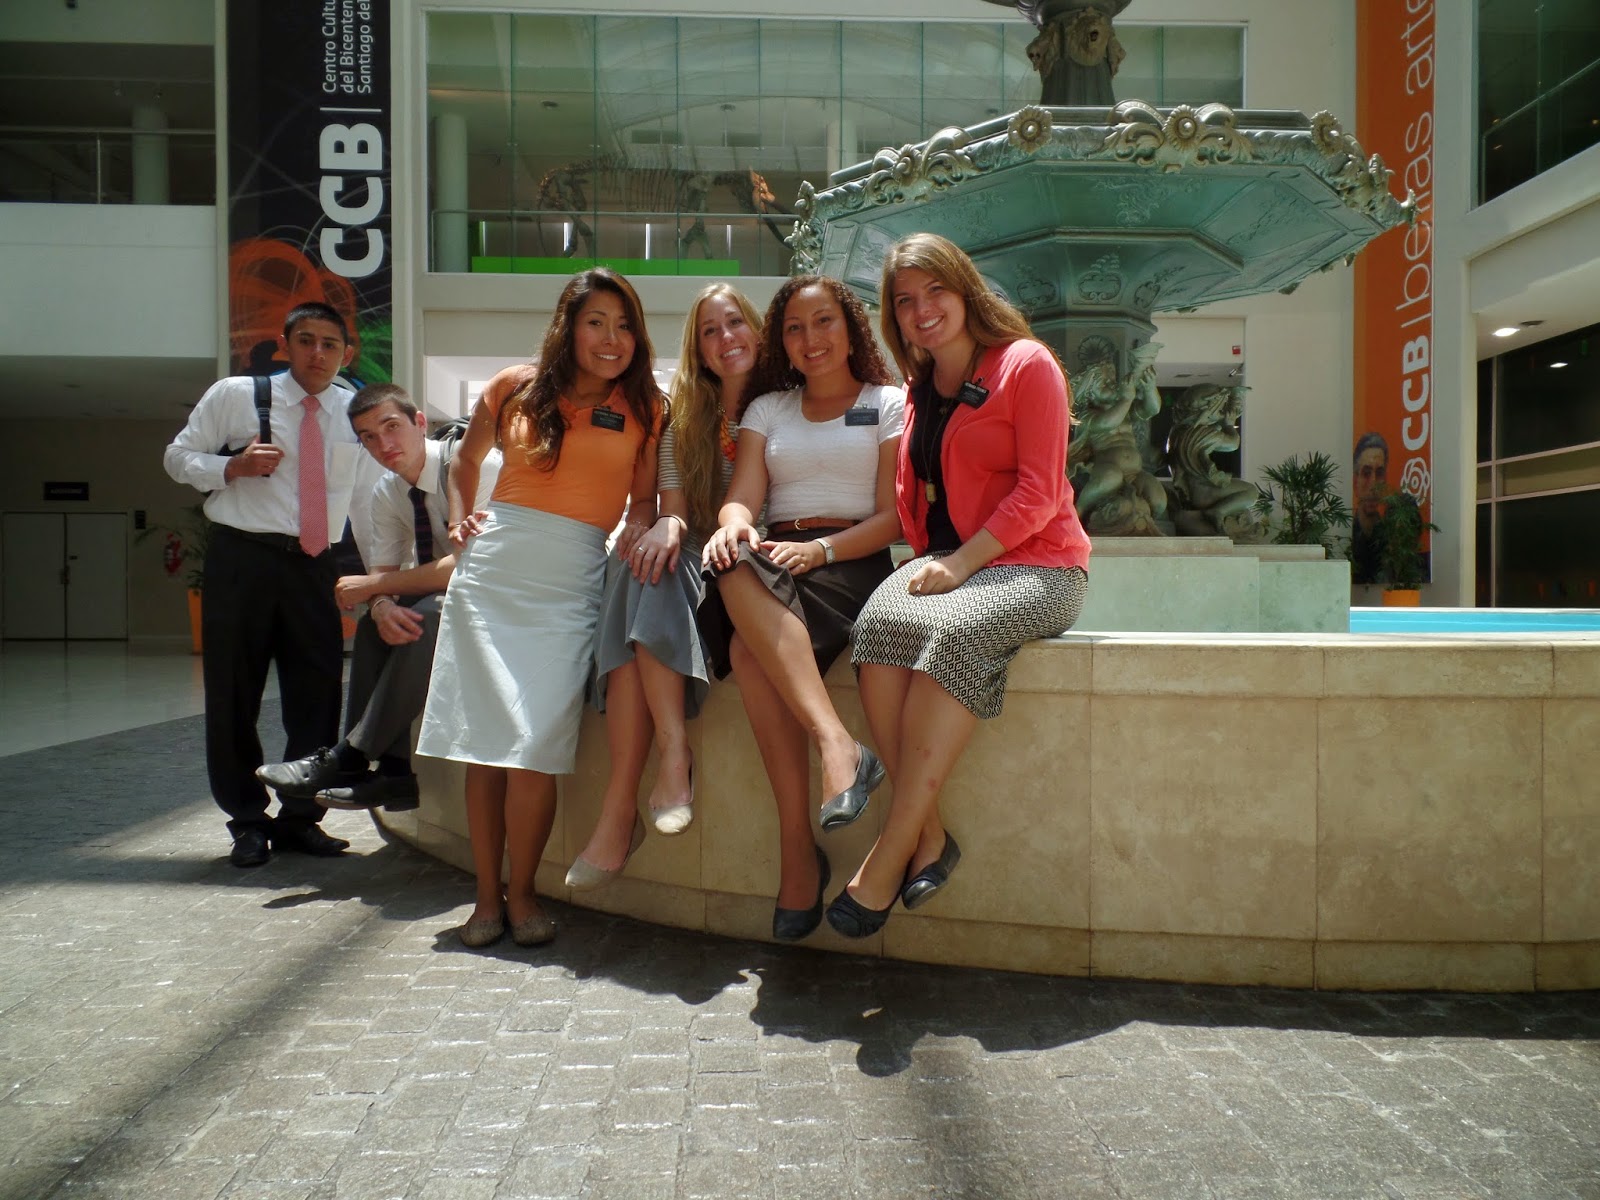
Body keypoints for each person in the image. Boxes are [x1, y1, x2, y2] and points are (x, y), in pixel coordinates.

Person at [829, 232, 1091, 938]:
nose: (922, 310)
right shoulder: (917, 392)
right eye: (904, 300)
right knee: (875, 630)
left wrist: (960, 565)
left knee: (950, 634)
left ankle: (891, 850)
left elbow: (1040, 492)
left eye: (935, 290)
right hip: (950, 563)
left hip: (1039, 565)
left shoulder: (1027, 364)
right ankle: (930, 836)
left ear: (965, 288)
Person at [416, 268, 662, 949]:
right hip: (493, 573)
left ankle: (523, 894)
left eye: (624, 325)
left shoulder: (647, 406)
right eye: (596, 322)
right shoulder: (513, 386)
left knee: (533, 748)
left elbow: (643, 500)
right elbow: (462, 463)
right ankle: (484, 899)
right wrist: (459, 521)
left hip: (573, 579)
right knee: (484, 750)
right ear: (568, 327)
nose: (611, 338)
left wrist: (639, 532)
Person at [699, 274, 904, 942]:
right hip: (776, 556)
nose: (810, 339)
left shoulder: (887, 403)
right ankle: (835, 746)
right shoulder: (768, 409)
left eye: (823, 322)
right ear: (780, 343)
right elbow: (743, 494)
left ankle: (798, 853)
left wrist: (822, 551)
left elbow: (894, 516)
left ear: (850, 328)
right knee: (731, 560)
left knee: (744, 651)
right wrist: (733, 523)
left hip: (851, 559)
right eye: (794, 328)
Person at [163, 301, 369, 868]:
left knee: (318, 694)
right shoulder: (236, 395)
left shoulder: (354, 412)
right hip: (242, 558)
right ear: (285, 344)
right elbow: (177, 457)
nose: (318, 353)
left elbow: (366, 500)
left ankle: (301, 819)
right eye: (306, 340)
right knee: (233, 694)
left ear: (346, 353)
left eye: (330, 344)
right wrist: (230, 467)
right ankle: (247, 821)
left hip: (316, 563)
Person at [570, 284, 763, 884]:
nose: (725, 338)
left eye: (735, 322)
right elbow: (674, 509)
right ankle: (668, 759)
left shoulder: (786, 405)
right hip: (696, 557)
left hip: (754, 560)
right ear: (697, 348)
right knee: (641, 563)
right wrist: (662, 526)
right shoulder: (683, 417)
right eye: (709, 331)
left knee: (646, 574)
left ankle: (623, 804)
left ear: (757, 329)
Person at [254, 383, 500, 812]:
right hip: (457, 598)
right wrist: (381, 605)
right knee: (377, 626)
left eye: (391, 427)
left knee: (429, 614)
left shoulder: (478, 465)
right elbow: (384, 573)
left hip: (507, 595)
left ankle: (350, 756)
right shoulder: (388, 491)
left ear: (419, 422)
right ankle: (395, 774)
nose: (383, 444)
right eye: (368, 437)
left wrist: (372, 589)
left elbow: (467, 567)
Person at [1350, 431, 1388, 585]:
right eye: (1366, 473)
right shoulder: (1347, 538)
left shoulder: (1391, 539)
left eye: (1379, 474)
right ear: (1355, 482)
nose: (1373, 484)